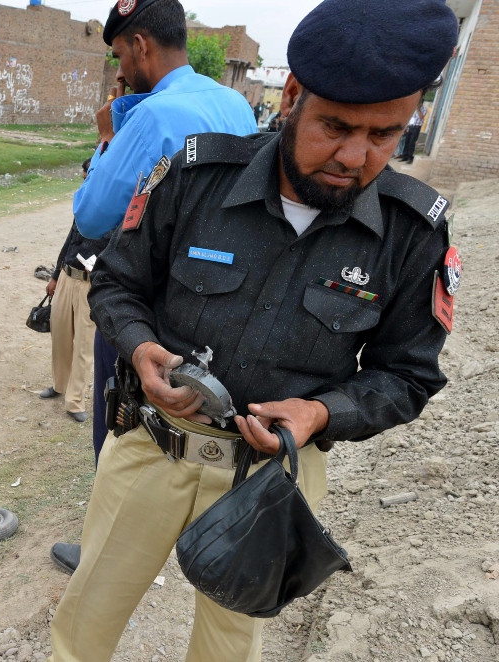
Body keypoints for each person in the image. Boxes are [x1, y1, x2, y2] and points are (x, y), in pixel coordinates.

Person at [48, 0, 459, 659]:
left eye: (384, 134)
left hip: (272, 480)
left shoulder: (412, 237)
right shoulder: (194, 176)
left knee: (229, 648)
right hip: (152, 453)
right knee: (83, 628)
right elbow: (119, 283)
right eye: (335, 126)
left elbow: (408, 374)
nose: (354, 156)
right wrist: (142, 348)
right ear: (292, 94)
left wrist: (321, 413)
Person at [50, 0, 258, 575]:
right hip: (215, 298)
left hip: (143, 300)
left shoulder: (151, 117)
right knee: (189, 429)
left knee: (117, 430)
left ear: (141, 46)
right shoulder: (235, 102)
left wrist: (105, 140)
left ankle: (101, 554)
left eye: (120, 54)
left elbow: (92, 217)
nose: (121, 68)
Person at [39, 159, 107, 425]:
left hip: (91, 284)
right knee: (60, 333)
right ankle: (58, 385)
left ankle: (75, 400)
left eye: (87, 176)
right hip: (68, 277)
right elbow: (69, 241)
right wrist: (55, 276)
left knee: (84, 345)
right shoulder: (84, 205)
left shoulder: (117, 207)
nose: (84, 181)